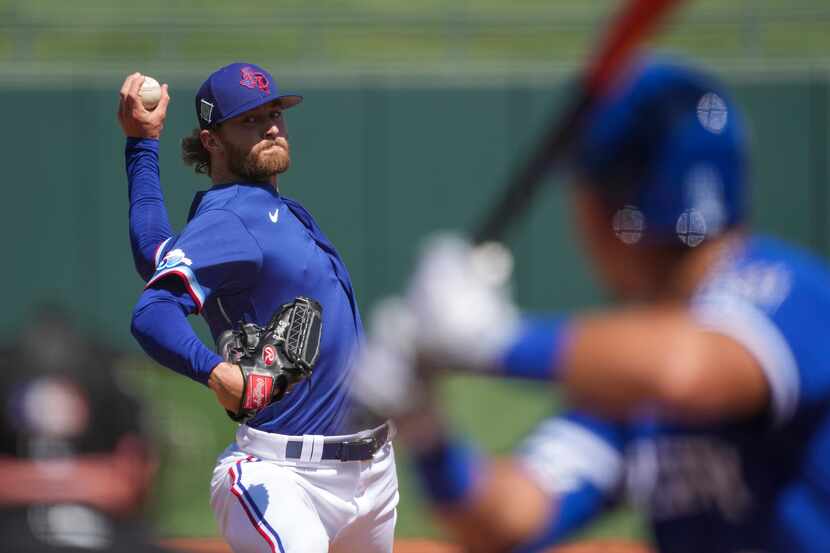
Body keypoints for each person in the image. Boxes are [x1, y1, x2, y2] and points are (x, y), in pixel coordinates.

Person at [355, 58, 830, 553]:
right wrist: (426, 431)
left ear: (609, 209)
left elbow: (686, 371)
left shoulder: (788, 289)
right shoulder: (632, 381)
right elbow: (510, 523)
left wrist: (495, 340)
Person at [119, 63, 398, 553]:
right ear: (212, 140)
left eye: (274, 113)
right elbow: (153, 310)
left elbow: (156, 257)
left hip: (373, 474)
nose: (271, 125)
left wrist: (142, 146)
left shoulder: (269, 210)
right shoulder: (234, 217)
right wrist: (217, 373)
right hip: (284, 477)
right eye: (249, 119)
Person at [0, 306, 176, 552]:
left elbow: (128, 484)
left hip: (113, 537)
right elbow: (112, 484)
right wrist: (90, 479)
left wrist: (27, 480)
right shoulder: (7, 377)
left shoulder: (112, 389)